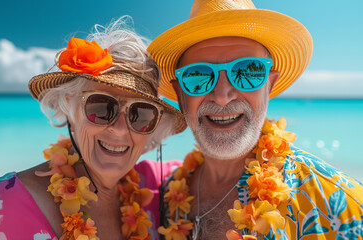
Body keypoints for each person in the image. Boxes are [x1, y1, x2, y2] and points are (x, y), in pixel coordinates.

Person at [0, 17, 186, 240]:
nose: (120, 129)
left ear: (152, 127)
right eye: (101, 107)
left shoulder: (155, 189)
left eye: (140, 114)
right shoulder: (0, 206)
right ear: (70, 106)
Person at [148, 0, 363, 239]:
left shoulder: (341, 205)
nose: (221, 96)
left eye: (248, 71)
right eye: (198, 76)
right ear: (180, 94)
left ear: (269, 85)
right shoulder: (166, 197)